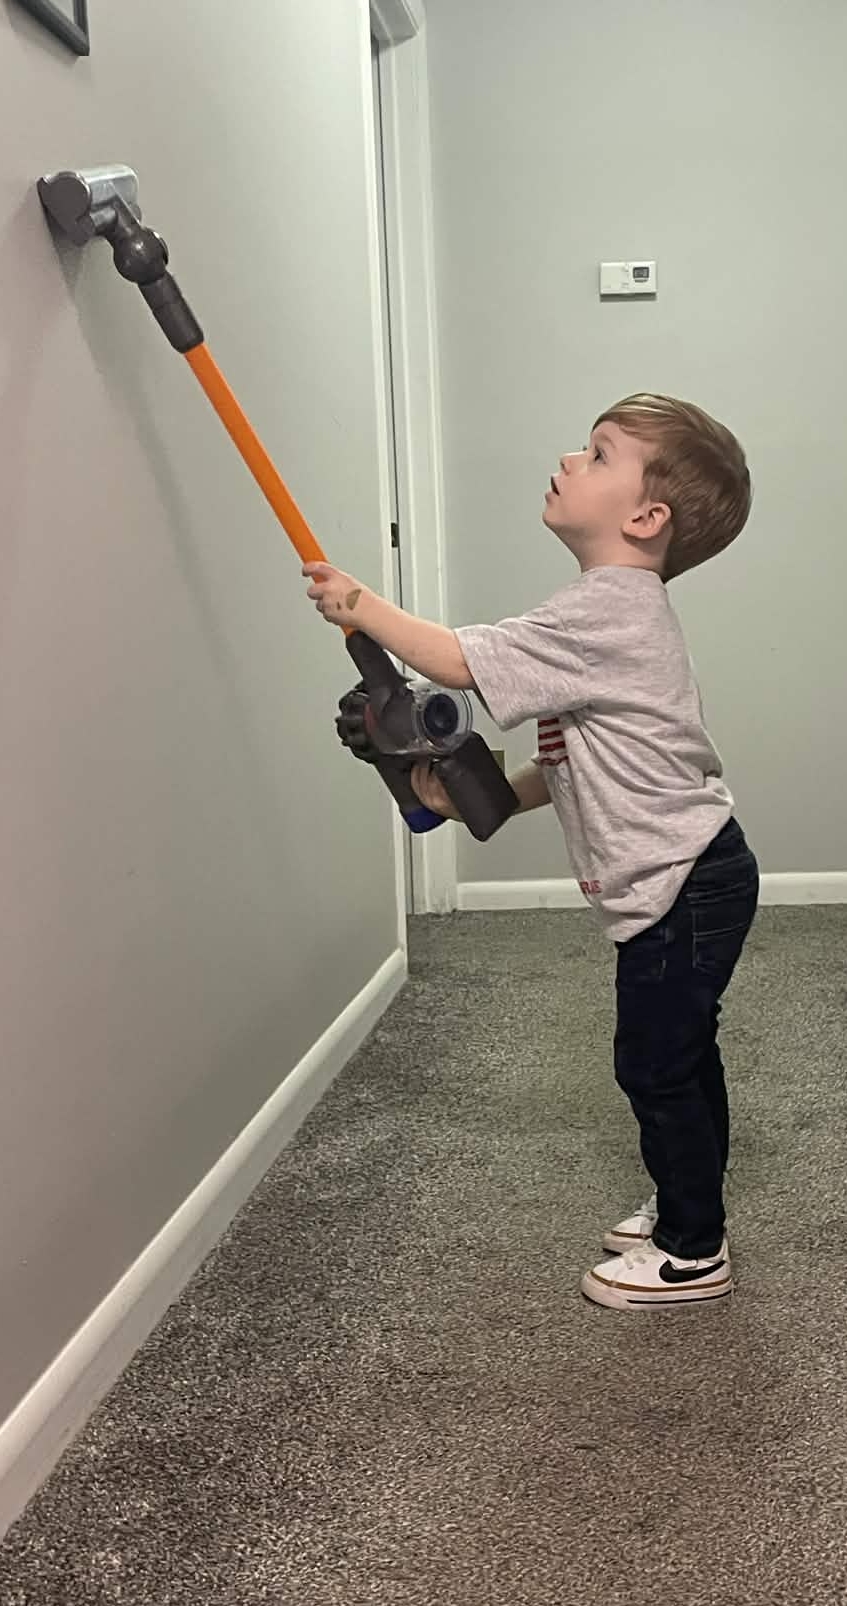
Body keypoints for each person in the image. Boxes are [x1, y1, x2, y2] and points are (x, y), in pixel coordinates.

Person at [304, 393, 759, 1311]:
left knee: (655, 1062)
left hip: (679, 882)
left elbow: (458, 661)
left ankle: (691, 1250)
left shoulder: (609, 609)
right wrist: (485, 802)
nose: (568, 458)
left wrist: (360, 605)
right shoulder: (604, 618)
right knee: (681, 1052)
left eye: (597, 454)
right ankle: (688, 1204)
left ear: (644, 517)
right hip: (689, 874)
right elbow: (571, 766)